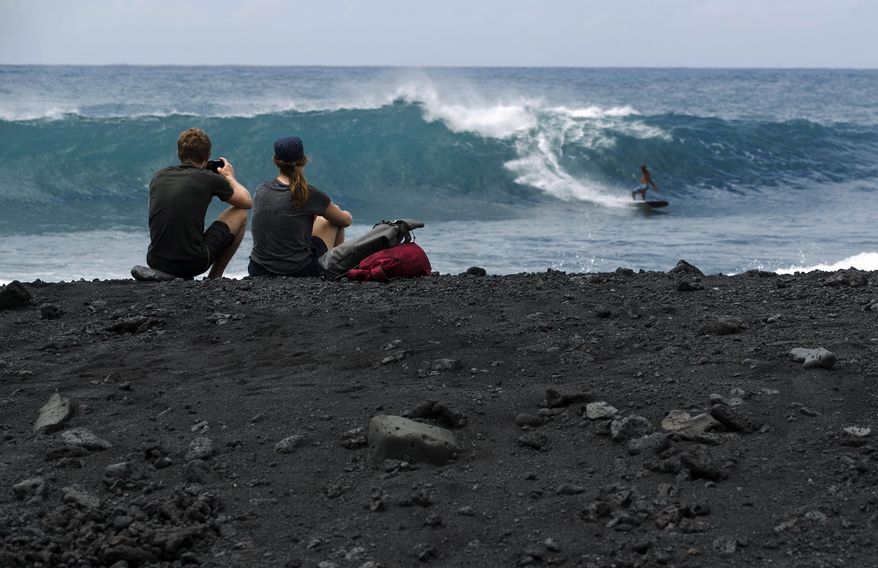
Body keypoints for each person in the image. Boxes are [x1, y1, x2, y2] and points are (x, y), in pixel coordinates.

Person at [146, 128, 252, 279]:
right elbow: (246, 202)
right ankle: (215, 277)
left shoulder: (158, 176)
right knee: (240, 213)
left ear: (179, 154)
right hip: (192, 264)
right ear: (208, 156)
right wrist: (229, 177)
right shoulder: (209, 178)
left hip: (155, 261)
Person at [248, 136, 353, 277]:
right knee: (333, 221)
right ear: (303, 161)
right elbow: (345, 221)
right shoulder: (309, 194)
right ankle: (336, 273)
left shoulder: (260, 190)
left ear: (275, 160)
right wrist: (339, 210)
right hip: (298, 270)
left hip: (258, 269)